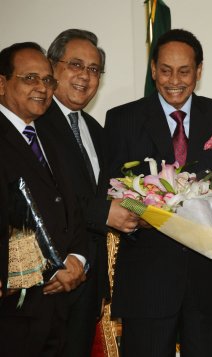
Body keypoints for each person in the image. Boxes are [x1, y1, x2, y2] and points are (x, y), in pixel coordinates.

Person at [104, 29, 212, 357]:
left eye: (184, 71)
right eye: (166, 70)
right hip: (148, 280)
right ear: (153, 69)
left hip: (207, 280)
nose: (174, 80)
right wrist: (140, 214)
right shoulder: (122, 120)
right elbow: (110, 188)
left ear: (199, 71)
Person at [36, 29, 136, 357]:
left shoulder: (95, 130)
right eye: (76, 64)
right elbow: (42, 196)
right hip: (48, 281)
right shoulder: (33, 123)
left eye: (94, 69)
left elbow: (106, 194)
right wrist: (103, 212)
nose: (85, 76)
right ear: (52, 67)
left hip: (88, 288)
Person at [0, 42, 87, 356]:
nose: (42, 87)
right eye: (29, 78)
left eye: (48, 80)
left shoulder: (50, 137)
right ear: (1, 83)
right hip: (12, 311)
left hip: (58, 308)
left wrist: (77, 258)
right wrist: (48, 270)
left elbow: (72, 208)